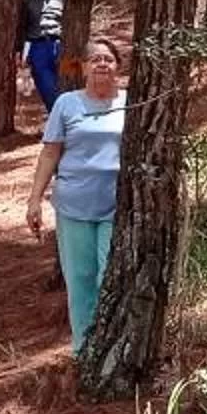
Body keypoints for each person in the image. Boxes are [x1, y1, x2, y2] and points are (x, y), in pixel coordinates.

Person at [26, 36, 127, 353]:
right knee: (81, 280)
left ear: (118, 68)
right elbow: (49, 153)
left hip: (117, 206)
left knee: (110, 277)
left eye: (108, 59)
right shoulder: (67, 104)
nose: (101, 64)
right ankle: (84, 351)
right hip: (73, 205)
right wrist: (34, 200)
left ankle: (112, 350)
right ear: (83, 67)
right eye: (94, 59)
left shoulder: (131, 102)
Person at [18, 0, 66, 112]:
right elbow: (22, 27)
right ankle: (57, 121)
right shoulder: (26, 0)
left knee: (68, 82)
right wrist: (20, 53)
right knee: (47, 87)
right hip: (38, 48)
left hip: (61, 46)